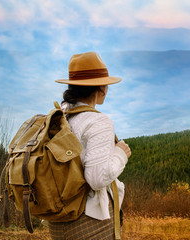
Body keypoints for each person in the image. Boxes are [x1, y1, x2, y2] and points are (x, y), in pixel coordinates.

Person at [50, 51, 131, 239]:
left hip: (60, 219)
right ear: (101, 87)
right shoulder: (98, 121)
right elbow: (96, 178)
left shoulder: (61, 116)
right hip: (89, 221)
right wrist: (120, 154)